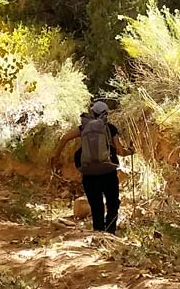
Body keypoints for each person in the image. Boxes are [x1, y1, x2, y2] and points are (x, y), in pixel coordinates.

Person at [50, 99, 132, 233]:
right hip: (108, 172)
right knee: (112, 204)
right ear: (105, 113)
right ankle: (110, 234)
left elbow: (64, 138)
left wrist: (56, 156)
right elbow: (120, 151)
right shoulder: (110, 128)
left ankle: (98, 235)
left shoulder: (83, 128)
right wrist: (130, 152)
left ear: (92, 112)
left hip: (89, 173)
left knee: (96, 206)